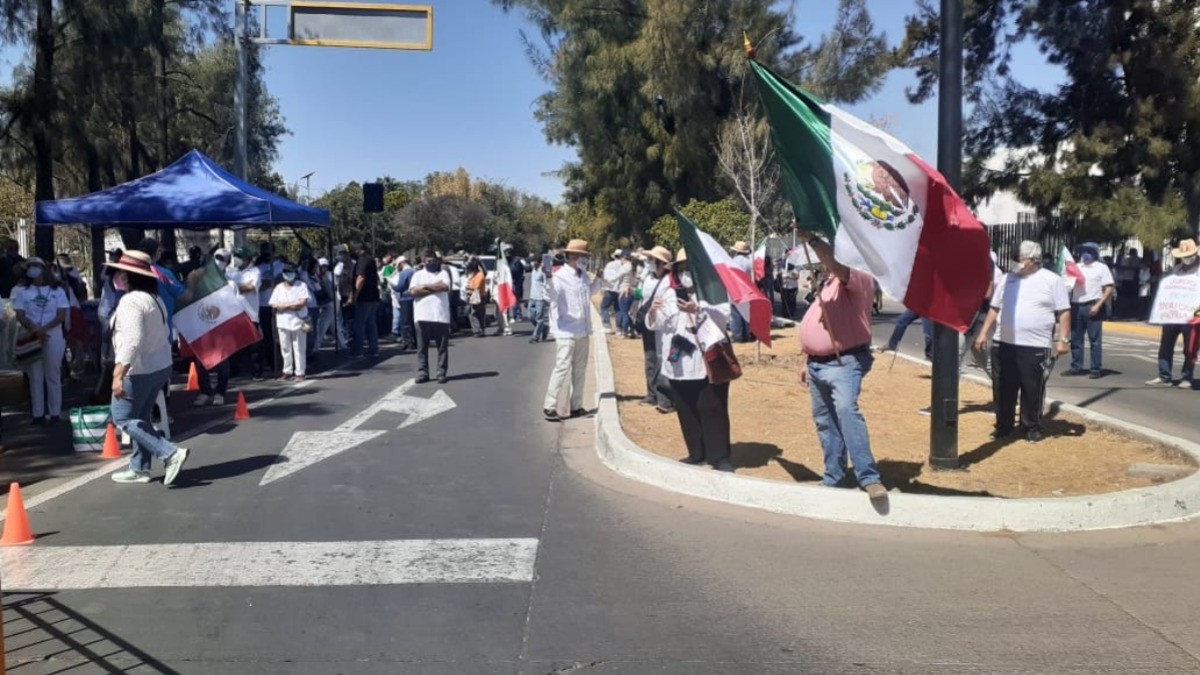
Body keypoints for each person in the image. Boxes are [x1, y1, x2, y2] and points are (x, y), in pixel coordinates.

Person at [796, 232, 886, 501]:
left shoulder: (858, 276)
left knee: (847, 412)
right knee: (825, 421)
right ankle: (833, 476)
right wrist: (807, 359)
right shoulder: (828, 283)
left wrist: (812, 239)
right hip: (817, 364)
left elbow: (838, 266)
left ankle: (869, 477)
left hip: (843, 362)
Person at [106, 251, 190, 485]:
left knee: (122, 418)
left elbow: (133, 340)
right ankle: (139, 467)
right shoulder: (154, 298)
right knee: (140, 417)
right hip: (159, 366)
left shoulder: (131, 301)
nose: (117, 276)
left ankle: (169, 452)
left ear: (129, 275)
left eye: (120, 272)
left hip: (138, 369)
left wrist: (118, 373)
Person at [974, 241, 1070, 444]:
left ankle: (1031, 427)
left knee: (1032, 388)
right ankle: (1003, 426)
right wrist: (983, 333)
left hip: (1035, 345)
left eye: (1019, 259)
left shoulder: (1051, 280)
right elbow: (994, 308)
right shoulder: (1007, 279)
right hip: (1003, 343)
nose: (1014, 262)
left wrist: (1063, 340)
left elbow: (1064, 311)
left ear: (1032, 260)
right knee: (1002, 387)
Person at [646, 247, 733, 472]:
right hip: (677, 359)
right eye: (682, 268)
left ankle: (719, 457)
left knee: (712, 407)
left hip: (706, 359)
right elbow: (657, 325)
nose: (686, 272)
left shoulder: (713, 290)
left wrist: (698, 310)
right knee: (685, 407)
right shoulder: (667, 290)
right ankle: (696, 453)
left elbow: (724, 318)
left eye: (690, 267)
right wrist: (653, 312)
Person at [543, 239, 604, 421]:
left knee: (580, 369)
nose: (583, 259)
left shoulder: (583, 275)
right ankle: (550, 405)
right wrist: (547, 277)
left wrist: (599, 279)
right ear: (571, 256)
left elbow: (590, 292)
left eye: (585, 256)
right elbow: (550, 295)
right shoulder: (559, 277)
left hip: (583, 330)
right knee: (562, 367)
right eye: (581, 255)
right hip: (565, 330)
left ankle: (576, 406)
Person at [11, 256, 69, 424]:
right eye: (29, 267)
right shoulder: (23, 292)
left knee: (53, 374)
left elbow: (61, 315)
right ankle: (38, 414)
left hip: (54, 336)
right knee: (35, 376)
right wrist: (34, 329)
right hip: (32, 337)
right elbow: (20, 315)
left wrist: (44, 329)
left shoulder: (57, 291)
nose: (32, 269)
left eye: (35, 266)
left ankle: (55, 412)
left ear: (44, 269)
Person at [1146, 239, 1200, 389]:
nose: (1187, 258)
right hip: (1172, 315)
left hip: (1192, 318)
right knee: (1165, 345)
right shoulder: (1176, 270)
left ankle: (1187, 377)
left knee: (1189, 349)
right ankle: (1164, 376)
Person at [1063, 242, 1114, 379]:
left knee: (1095, 340)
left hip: (1093, 305)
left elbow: (1109, 288)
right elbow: (1067, 284)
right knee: (1076, 339)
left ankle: (1095, 369)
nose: (1085, 253)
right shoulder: (1076, 267)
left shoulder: (1101, 268)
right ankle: (1076, 367)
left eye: (1089, 251)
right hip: (1076, 305)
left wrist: (1099, 304)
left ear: (1095, 253)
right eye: (1083, 250)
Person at [636, 246, 675, 412]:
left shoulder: (670, 281)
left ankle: (665, 398)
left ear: (662, 264)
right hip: (649, 322)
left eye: (654, 260)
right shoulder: (648, 278)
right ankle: (652, 394)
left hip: (664, 325)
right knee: (650, 360)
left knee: (663, 360)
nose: (650, 263)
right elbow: (642, 296)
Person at [410, 250, 452, 384]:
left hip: (440, 315)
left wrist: (425, 287)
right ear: (423, 262)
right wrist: (435, 287)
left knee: (442, 347)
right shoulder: (417, 275)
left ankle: (441, 372)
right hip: (422, 315)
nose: (431, 263)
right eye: (428, 261)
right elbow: (413, 291)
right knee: (422, 347)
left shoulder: (443, 273)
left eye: (433, 261)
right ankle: (423, 372)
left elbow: (445, 286)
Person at [270, 262, 311, 381]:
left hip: (298, 321)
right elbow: (274, 303)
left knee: (299, 347)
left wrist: (285, 305)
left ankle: (300, 372)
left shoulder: (301, 285)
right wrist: (291, 305)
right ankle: (287, 371)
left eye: (291, 272)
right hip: (283, 322)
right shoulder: (278, 287)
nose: (289, 274)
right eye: (286, 272)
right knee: (285, 348)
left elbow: (302, 302)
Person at [226, 246, 263, 379]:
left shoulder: (255, 272)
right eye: (236, 256)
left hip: (250, 313)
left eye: (240, 256)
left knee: (254, 346)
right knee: (233, 346)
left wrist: (233, 286)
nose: (237, 259)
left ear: (247, 259)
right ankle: (234, 371)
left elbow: (250, 287)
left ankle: (256, 372)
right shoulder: (230, 272)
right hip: (233, 314)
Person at [351, 245, 381, 357]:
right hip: (374, 296)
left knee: (359, 324)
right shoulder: (370, 259)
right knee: (371, 324)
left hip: (364, 297)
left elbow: (361, 278)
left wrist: (355, 295)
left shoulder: (362, 260)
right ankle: (373, 350)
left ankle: (358, 351)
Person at [313, 257, 342, 351]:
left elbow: (332, 289)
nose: (323, 268)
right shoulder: (318, 276)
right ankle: (343, 344)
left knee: (322, 326)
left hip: (331, 304)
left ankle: (316, 346)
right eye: (321, 266)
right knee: (334, 327)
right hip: (326, 304)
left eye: (325, 266)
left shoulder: (330, 276)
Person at [729, 241, 753, 342]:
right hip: (746, 290)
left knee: (735, 313)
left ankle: (738, 335)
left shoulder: (732, 261)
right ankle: (746, 334)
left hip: (735, 289)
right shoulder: (749, 262)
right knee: (745, 313)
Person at [392, 257, 416, 348]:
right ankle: (415, 340)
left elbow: (399, 287)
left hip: (405, 298)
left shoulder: (404, 273)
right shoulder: (414, 271)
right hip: (414, 298)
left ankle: (408, 342)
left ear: (401, 264)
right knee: (412, 320)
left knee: (405, 321)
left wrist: (391, 284)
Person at [615, 250, 637, 338]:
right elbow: (634, 281)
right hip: (630, 291)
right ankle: (632, 330)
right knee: (626, 312)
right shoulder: (633, 267)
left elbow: (616, 276)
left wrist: (606, 278)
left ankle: (624, 332)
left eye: (620, 257)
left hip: (624, 291)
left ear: (623, 258)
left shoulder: (625, 267)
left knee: (623, 312)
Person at [465, 259, 489, 337]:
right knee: (479, 314)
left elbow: (476, 287)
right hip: (474, 296)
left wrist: (468, 288)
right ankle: (481, 330)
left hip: (479, 297)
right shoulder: (474, 275)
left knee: (473, 314)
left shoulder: (479, 275)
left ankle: (477, 330)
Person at [528, 258, 549, 343]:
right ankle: (545, 328)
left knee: (539, 318)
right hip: (532, 297)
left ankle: (535, 336)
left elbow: (547, 284)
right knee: (530, 316)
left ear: (540, 262)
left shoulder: (543, 272)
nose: (534, 263)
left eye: (535, 261)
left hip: (540, 298)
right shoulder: (533, 270)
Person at [509, 253, 526, 321]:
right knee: (514, 299)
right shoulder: (506, 262)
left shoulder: (516, 263)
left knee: (515, 299)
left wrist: (515, 279)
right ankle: (513, 315)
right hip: (510, 282)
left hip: (515, 283)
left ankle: (517, 315)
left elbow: (518, 272)